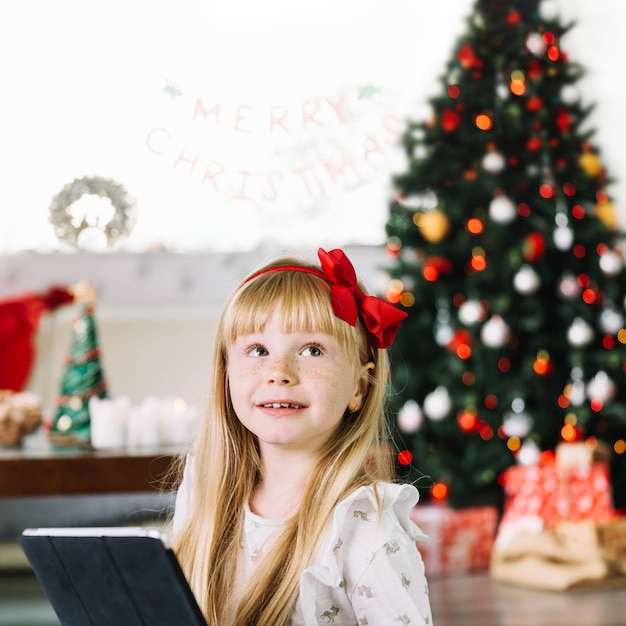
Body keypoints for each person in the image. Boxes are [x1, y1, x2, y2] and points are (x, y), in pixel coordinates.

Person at [172, 247, 433, 626]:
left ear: (360, 386)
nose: (279, 372)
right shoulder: (202, 494)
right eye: (257, 350)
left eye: (312, 350)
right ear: (225, 374)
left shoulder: (363, 527)